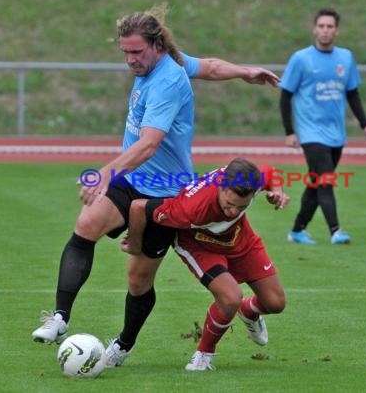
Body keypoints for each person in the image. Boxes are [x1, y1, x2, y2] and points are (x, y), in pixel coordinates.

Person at [31, 3, 280, 368]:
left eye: (136, 52)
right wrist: (245, 72)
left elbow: (148, 145)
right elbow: (208, 66)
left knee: (138, 281)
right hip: (131, 179)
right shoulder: (168, 62)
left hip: (164, 194)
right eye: (125, 52)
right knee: (85, 226)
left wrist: (104, 174)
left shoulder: (167, 81)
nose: (130, 60)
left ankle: (124, 344)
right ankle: (59, 317)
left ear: (157, 45)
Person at [122, 157, 289, 371]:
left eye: (241, 207)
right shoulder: (191, 207)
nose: (233, 212)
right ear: (221, 186)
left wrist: (278, 192)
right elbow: (138, 207)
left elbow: (272, 172)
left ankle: (248, 310)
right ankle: (204, 354)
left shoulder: (249, 180)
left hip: (241, 240)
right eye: (229, 205)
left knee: (276, 303)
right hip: (199, 246)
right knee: (230, 298)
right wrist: (135, 243)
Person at [280, 7, 366, 246]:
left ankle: (297, 230)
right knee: (325, 180)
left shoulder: (345, 58)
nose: (325, 31)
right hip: (311, 133)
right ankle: (336, 231)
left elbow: (352, 94)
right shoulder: (301, 59)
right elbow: (285, 95)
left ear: (336, 31)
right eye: (321, 26)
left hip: (336, 134)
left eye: (329, 27)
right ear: (314, 29)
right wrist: (289, 131)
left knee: (316, 183)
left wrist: (365, 124)